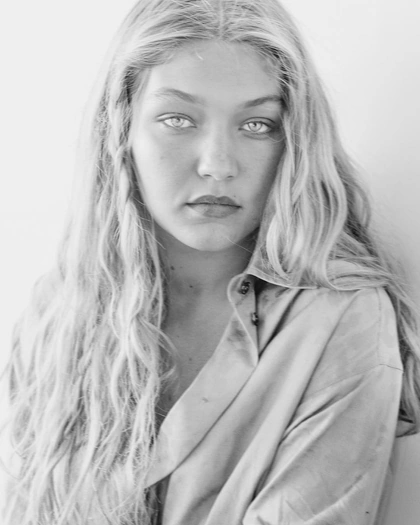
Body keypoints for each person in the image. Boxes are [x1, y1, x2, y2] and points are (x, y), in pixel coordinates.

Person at [3, 0, 420, 524]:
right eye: (178, 119)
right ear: (121, 130)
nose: (218, 165)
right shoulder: (58, 313)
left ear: (294, 142)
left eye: (257, 124)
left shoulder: (340, 318)